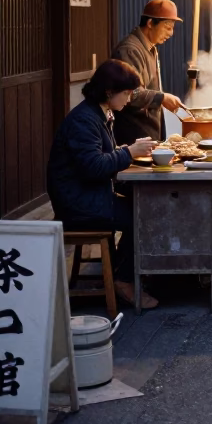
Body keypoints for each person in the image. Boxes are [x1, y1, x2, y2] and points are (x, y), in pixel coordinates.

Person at [47, 59, 158, 308]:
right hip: (78, 202)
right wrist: (129, 152)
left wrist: (128, 151)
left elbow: (100, 156)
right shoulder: (84, 120)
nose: (129, 100)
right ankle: (122, 280)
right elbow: (93, 167)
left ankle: (124, 272)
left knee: (143, 206)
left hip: (89, 194)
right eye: (127, 93)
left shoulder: (100, 112)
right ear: (109, 92)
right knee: (142, 216)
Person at [110, 0, 185, 144]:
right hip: (134, 136)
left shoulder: (150, 48)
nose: (171, 33)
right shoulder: (130, 50)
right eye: (168, 27)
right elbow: (130, 93)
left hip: (148, 134)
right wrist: (162, 98)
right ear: (150, 23)